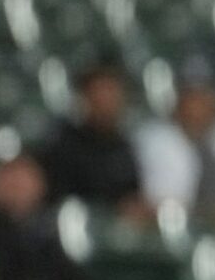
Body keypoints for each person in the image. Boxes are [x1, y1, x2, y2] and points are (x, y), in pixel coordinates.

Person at [133, 63, 215, 227]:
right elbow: (159, 202)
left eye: (205, 97)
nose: (198, 105)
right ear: (179, 100)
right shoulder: (156, 138)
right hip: (172, 229)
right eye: (192, 97)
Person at [37, 62, 144, 212]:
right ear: (85, 96)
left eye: (111, 91)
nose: (106, 100)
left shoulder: (123, 146)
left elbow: (132, 195)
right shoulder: (64, 142)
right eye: (99, 91)